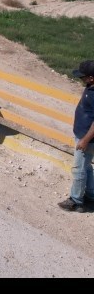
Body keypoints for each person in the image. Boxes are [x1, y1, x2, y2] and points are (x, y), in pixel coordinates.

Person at [58, 60, 94, 212]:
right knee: (86, 167)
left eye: (83, 77)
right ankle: (91, 195)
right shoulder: (90, 87)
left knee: (79, 169)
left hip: (87, 138)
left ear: (91, 77)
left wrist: (85, 140)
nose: (81, 79)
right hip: (83, 134)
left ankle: (76, 200)